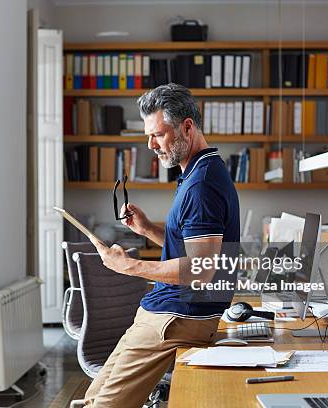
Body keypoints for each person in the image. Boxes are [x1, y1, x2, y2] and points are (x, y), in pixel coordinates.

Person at [84, 83, 240, 408]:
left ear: (187, 126)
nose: (151, 145)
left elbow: (201, 270)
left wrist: (128, 265)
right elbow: (191, 249)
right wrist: (148, 229)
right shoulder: (196, 171)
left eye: (158, 135)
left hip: (178, 315)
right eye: (148, 135)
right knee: (93, 396)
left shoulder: (202, 185)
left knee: (104, 405)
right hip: (166, 309)